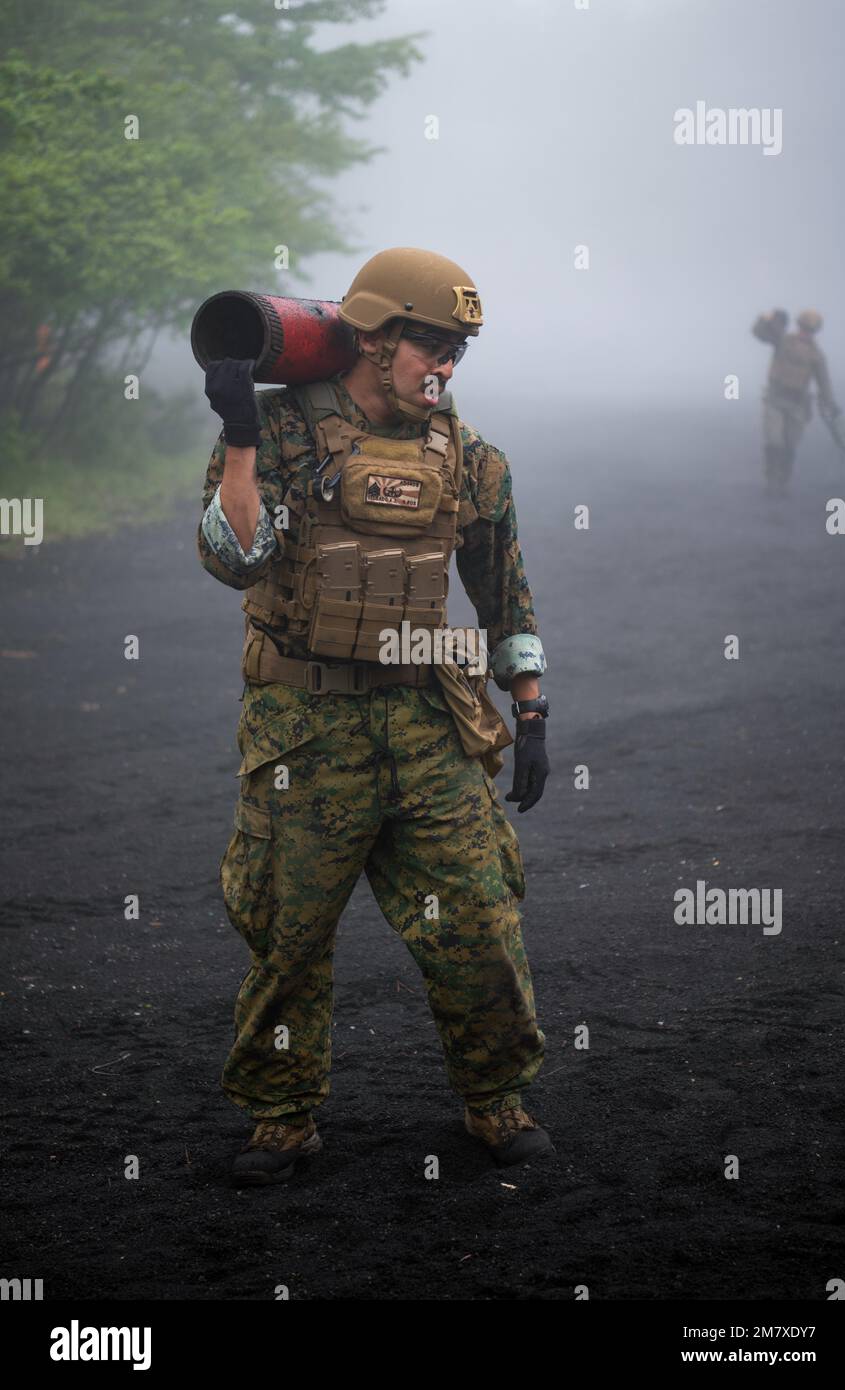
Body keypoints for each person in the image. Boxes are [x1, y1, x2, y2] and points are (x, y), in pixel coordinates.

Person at [198, 247, 552, 1185]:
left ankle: (495, 1101)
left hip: (428, 723)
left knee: (479, 915)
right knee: (289, 933)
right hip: (305, 730)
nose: (442, 367)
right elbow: (233, 559)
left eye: (457, 351)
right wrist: (239, 439)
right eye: (428, 344)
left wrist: (531, 703)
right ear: (373, 336)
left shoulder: (472, 460)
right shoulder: (278, 433)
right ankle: (282, 1117)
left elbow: (504, 591)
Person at [752, 308, 843, 494]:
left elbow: (824, 383)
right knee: (774, 440)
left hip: (798, 405)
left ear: (814, 332)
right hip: (775, 399)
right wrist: (764, 319)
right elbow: (759, 333)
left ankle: (783, 481)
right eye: (804, 328)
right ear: (799, 326)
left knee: (789, 445)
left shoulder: (816, 355)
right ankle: (771, 481)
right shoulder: (783, 341)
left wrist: (830, 405)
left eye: (809, 330)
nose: (805, 333)